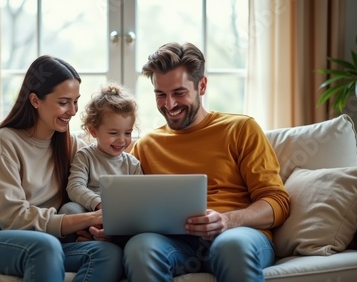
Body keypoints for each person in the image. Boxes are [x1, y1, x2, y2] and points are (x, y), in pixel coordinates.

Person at [122, 42, 291, 282]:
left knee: (232, 245)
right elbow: (129, 207)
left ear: (201, 86)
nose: (169, 105)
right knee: (140, 246)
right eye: (161, 95)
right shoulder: (147, 145)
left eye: (179, 93)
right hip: (175, 245)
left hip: (237, 236)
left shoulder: (241, 128)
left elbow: (278, 202)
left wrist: (227, 220)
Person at [0, 55, 123, 282]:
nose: (73, 110)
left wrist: (100, 228)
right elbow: (13, 218)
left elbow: (101, 182)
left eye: (75, 101)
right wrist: (90, 218)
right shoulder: (4, 141)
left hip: (39, 240)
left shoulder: (72, 145)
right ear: (35, 100)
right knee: (45, 246)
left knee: (109, 254)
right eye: (63, 102)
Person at [61, 82, 143, 216]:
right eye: (113, 133)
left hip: (119, 213)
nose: (122, 140)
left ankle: (109, 235)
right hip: (88, 211)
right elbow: (74, 187)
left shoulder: (133, 164)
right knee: (69, 210)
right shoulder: (85, 156)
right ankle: (88, 233)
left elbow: (139, 196)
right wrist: (98, 204)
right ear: (93, 131)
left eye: (127, 133)